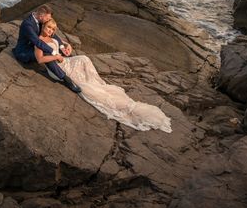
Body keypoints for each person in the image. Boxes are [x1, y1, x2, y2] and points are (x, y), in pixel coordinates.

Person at [35, 18, 172, 133]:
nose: (50, 31)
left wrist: (65, 46)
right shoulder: (39, 41)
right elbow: (40, 60)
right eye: (48, 28)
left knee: (84, 58)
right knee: (84, 84)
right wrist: (56, 57)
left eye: (53, 29)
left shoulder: (52, 37)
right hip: (56, 68)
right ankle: (87, 84)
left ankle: (95, 82)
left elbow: (60, 45)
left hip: (64, 60)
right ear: (43, 26)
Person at [12, 5, 82, 93]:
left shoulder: (40, 20)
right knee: (46, 53)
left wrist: (62, 47)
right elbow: (38, 42)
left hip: (34, 46)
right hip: (24, 51)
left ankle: (64, 62)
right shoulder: (28, 24)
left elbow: (53, 34)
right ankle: (66, 79)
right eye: (48, 18)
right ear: (41, 16)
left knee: (48, 49)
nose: (49, 20)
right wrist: (54, 53)